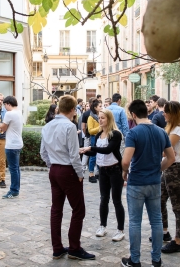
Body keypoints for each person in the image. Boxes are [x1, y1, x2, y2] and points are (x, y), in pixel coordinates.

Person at [121, 99, 175, 267]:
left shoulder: (134, 133)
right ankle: (156, 259)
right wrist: (158, 169)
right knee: (157, 221)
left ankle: (135, 260)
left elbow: (125, 160)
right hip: (154, 182)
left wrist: (125, 171)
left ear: (133, 114)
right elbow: (171, 157)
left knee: (135, 222)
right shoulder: (161, 132)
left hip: (137, 182)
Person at [40, 95, 95, 261]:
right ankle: (74, 247)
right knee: (78, 210)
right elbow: (73, 154)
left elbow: (43, 153)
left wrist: (53, 165)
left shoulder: (47, 126)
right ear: (72, 109)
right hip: (68, 171)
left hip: (54, 170)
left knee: (56, 210)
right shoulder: (69, 126)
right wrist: (80, 174)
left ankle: (57, 248)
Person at [80, 109, 125, 242]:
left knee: (116, 200)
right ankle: (102, 226)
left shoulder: (115, 134)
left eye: (103, 118)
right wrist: (83, 151)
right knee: (103, 199)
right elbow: (96, 153)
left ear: (109, 119)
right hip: (103, 171)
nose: (100, 120)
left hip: (115, 170)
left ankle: (120, 229)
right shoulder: (99, 134)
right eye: (99, 118)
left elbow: (108, 150)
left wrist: (91, 148)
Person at [160, 101, 180, 254]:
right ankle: (164, 232)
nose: (163, 114)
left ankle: (178, 241)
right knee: (160, 200)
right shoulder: (173, 128)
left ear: (173, 113)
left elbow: (164, 150)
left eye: (166, 111)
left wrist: (164, 150)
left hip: (175, 170)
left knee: (177, 206)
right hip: (168, 168)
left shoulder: (178, 129)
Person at [0, 96, 23, 199]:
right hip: (18, 143)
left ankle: (13, 191)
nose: (4, 107)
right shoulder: (19, 112)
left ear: (8, 103)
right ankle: (16, 189)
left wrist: (0, 125)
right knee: (16, 168)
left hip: (11, 144)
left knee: (13, 169)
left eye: (5, 105)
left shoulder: (9, 114)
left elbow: (3, 128)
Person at [87, 99, 102, 183]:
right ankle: (91, 173)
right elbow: (90, 130)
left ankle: (99, 172)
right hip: (94, 137)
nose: (101, 107)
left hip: (101, 137)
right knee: (93, 156)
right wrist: (100, 127)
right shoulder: (90, 117)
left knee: (101, 155)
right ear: (95, 107)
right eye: (100, 106)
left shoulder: (101, 116)